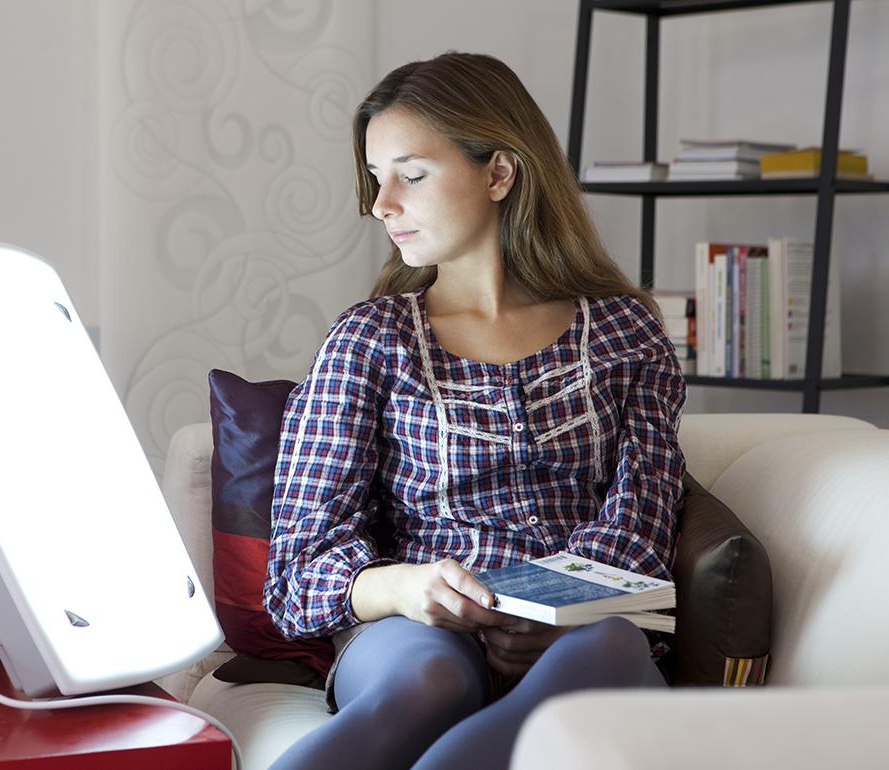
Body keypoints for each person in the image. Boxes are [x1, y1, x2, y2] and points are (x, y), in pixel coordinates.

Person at [263, 51, 686, 770]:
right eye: (374, 179)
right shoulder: (370, 338)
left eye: (411, 175)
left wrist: (555, 612)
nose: (381, 204)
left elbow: (641, 521)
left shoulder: (625, 331)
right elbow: (298, 570)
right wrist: (405, 586)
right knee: (432, 677)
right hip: (417, 627)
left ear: (498, 173)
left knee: (613, 642)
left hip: (584, 631)